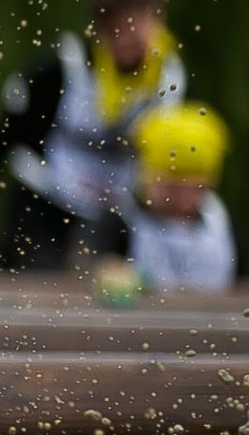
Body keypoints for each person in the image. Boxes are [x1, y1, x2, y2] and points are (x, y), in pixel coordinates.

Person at [0, 0, 186, 270]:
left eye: (138, 23)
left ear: (158, 18)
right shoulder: (61, 69)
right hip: (48, 205)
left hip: (120, 217)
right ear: (99, 30)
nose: (130, 37)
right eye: (117, 28)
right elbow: (4, 138)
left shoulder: (172, 79)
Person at [101, 102, 237, 295]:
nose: (181, 198)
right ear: (146, 180)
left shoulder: (221, 223)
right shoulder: (119, 220)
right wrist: (108, 272)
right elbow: (87, 264)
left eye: (193, 189)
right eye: (171, 187)